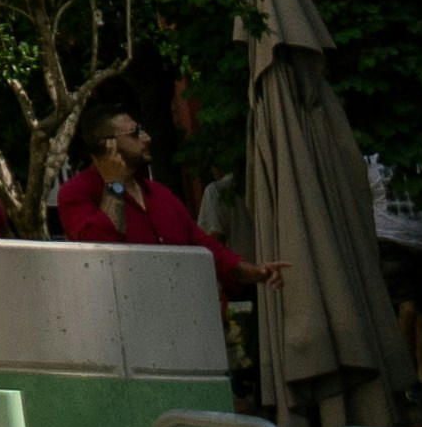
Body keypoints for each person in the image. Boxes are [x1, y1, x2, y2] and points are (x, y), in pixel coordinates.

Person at [58, 108, 286, 304]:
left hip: (180, 320)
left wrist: (253, 272)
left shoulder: (159, 194)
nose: (146, 138)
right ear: (108, 145)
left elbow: (204, 246)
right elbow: (98, 250)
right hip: (125, 329)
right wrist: (114, 185)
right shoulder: (76, 193)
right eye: (135, 133)